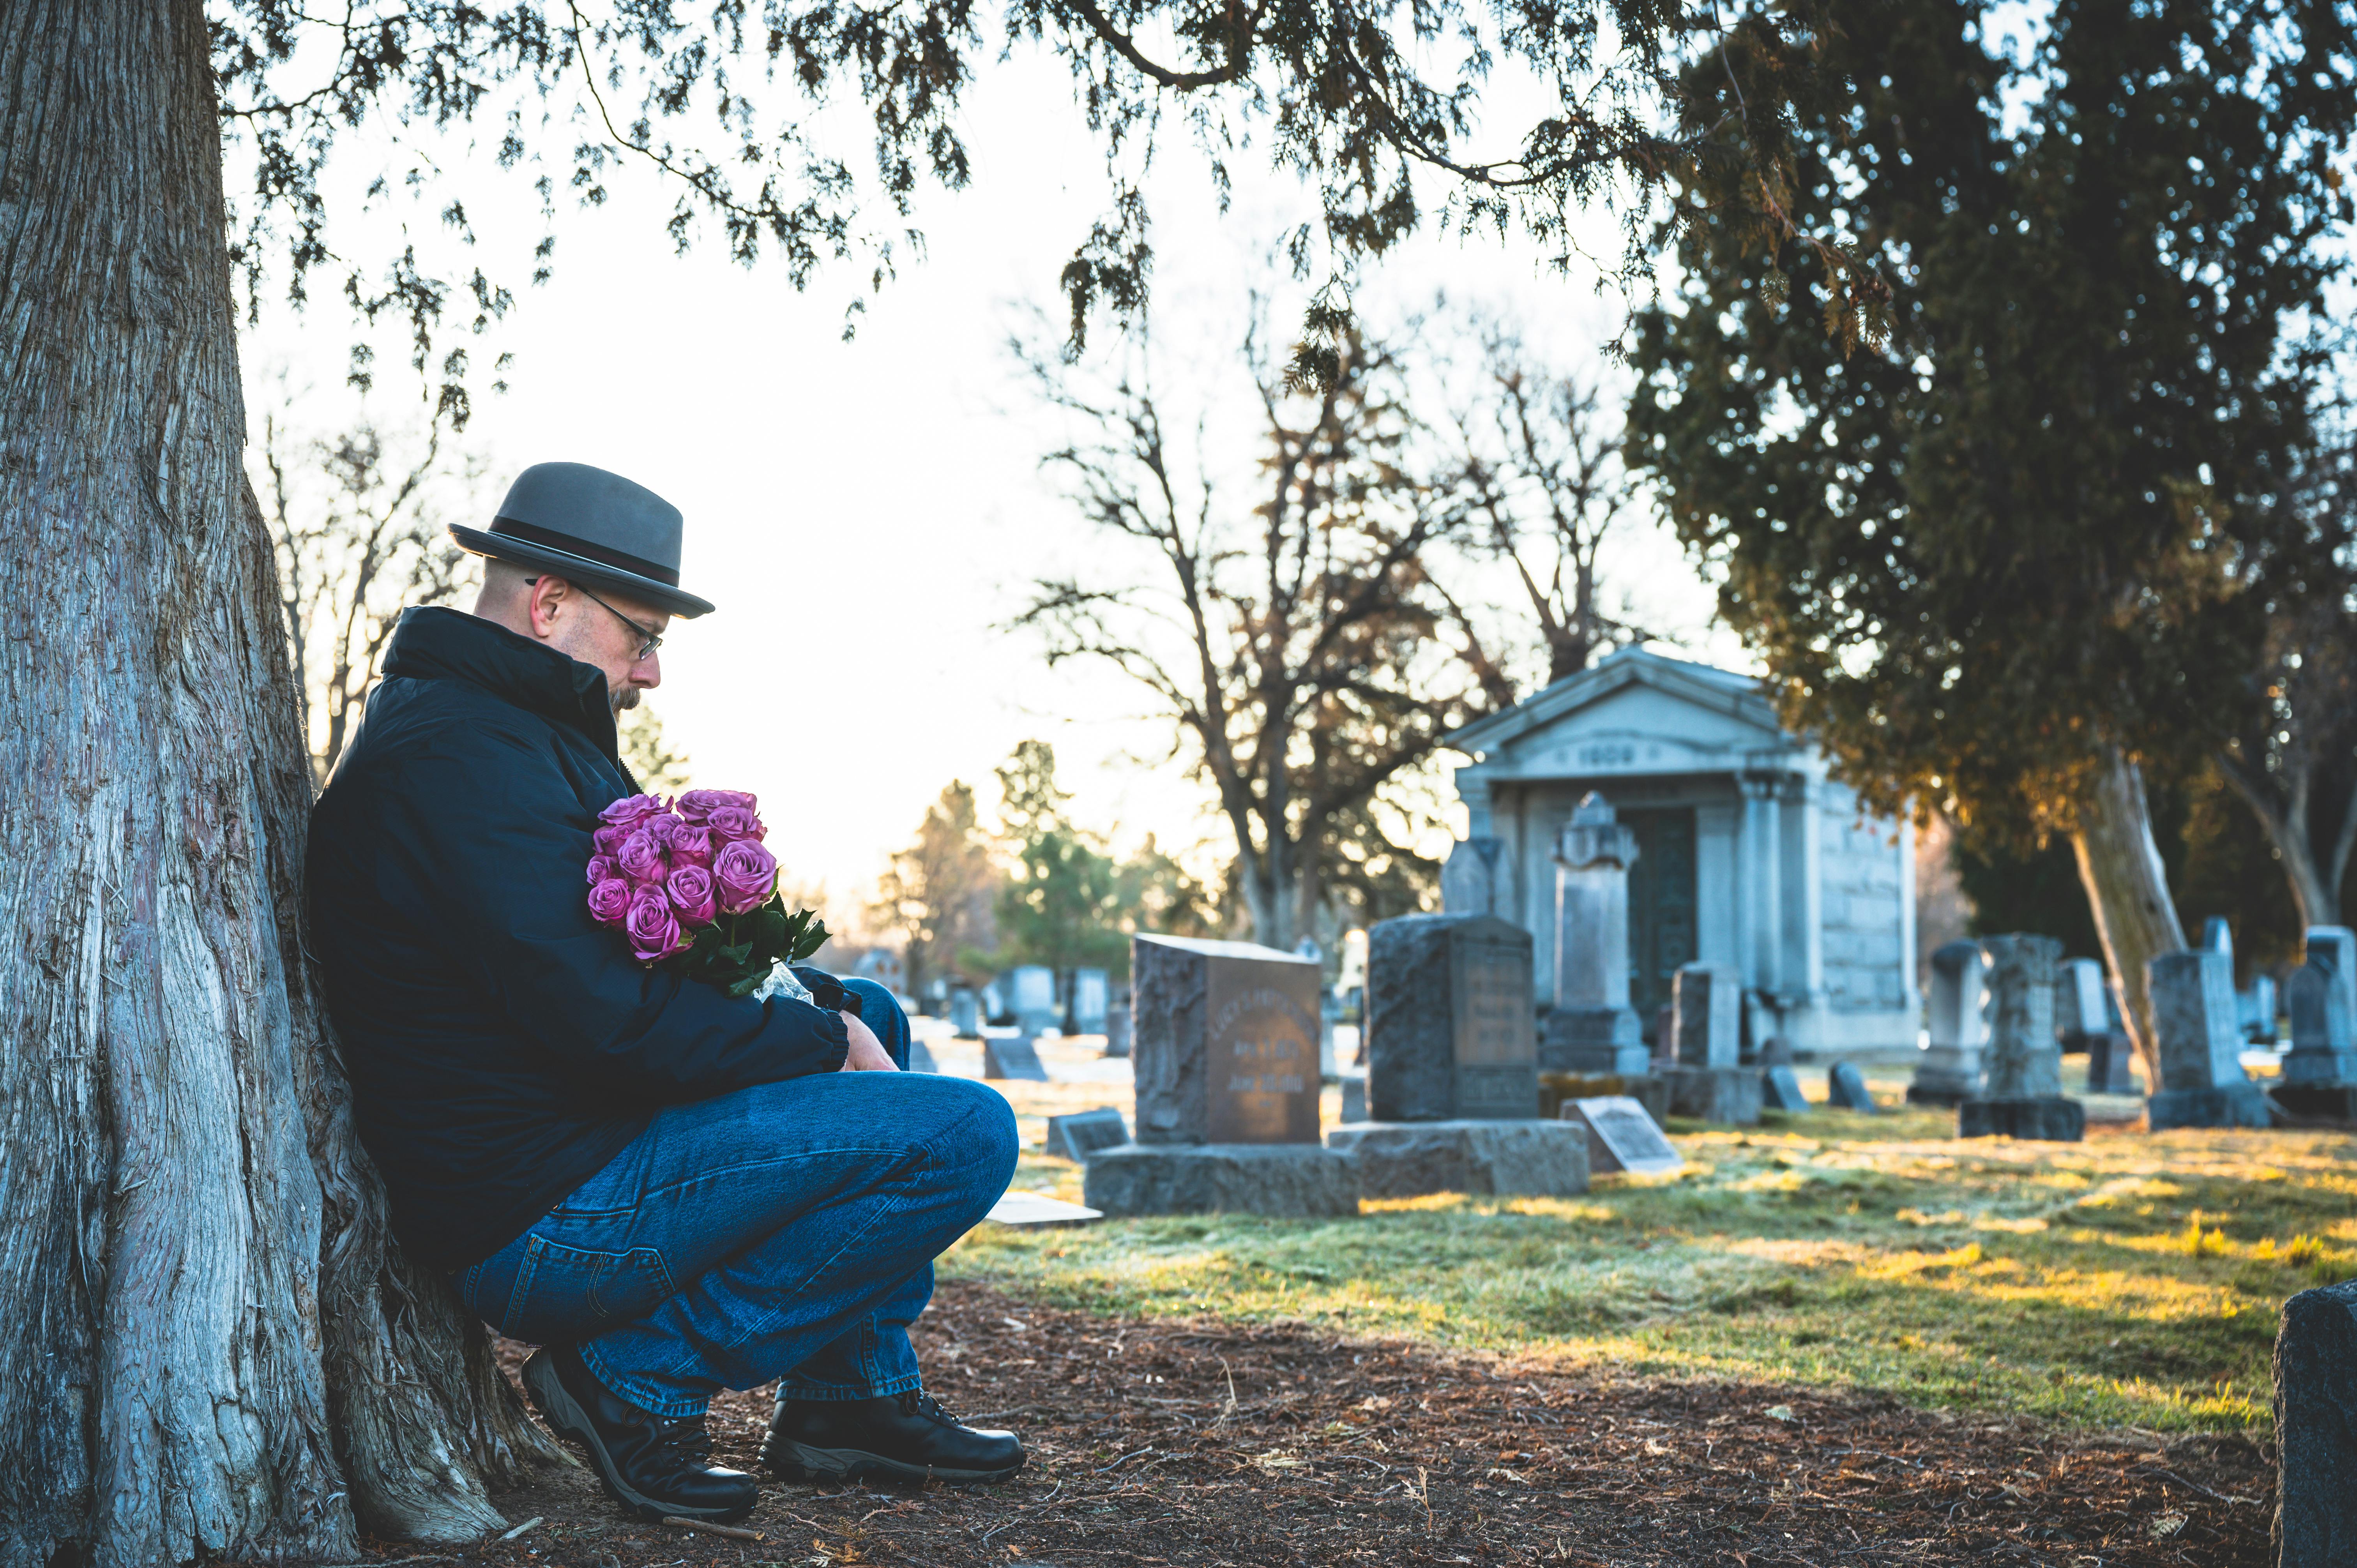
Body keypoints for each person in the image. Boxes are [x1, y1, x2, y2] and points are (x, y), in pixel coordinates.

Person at [307, 462, 1023, 1524]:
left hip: (578, 1143)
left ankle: (846, 1402)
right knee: (967, 1133)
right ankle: (630, 1380)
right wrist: (814, 1046)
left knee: (871, 1009)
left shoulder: (510, 734)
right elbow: (607, 1024)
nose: (650, 673)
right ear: (548, 606)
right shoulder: (464, 758)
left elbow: (601, 977)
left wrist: (809, 1002)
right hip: (542, 1214)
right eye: (641, 636)